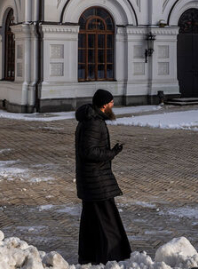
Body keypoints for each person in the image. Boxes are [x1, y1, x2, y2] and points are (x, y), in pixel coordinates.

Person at [75, 89, 131, 264]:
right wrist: (111, 153)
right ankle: (115, 255)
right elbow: (89, 151)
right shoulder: (94, 123)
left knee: (91, 221)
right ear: (105, 105)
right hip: (97, 180)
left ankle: (90, 256)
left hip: (91, 179)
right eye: (112, 102)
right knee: (108, 219)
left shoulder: (91, 120)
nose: (113, 105)